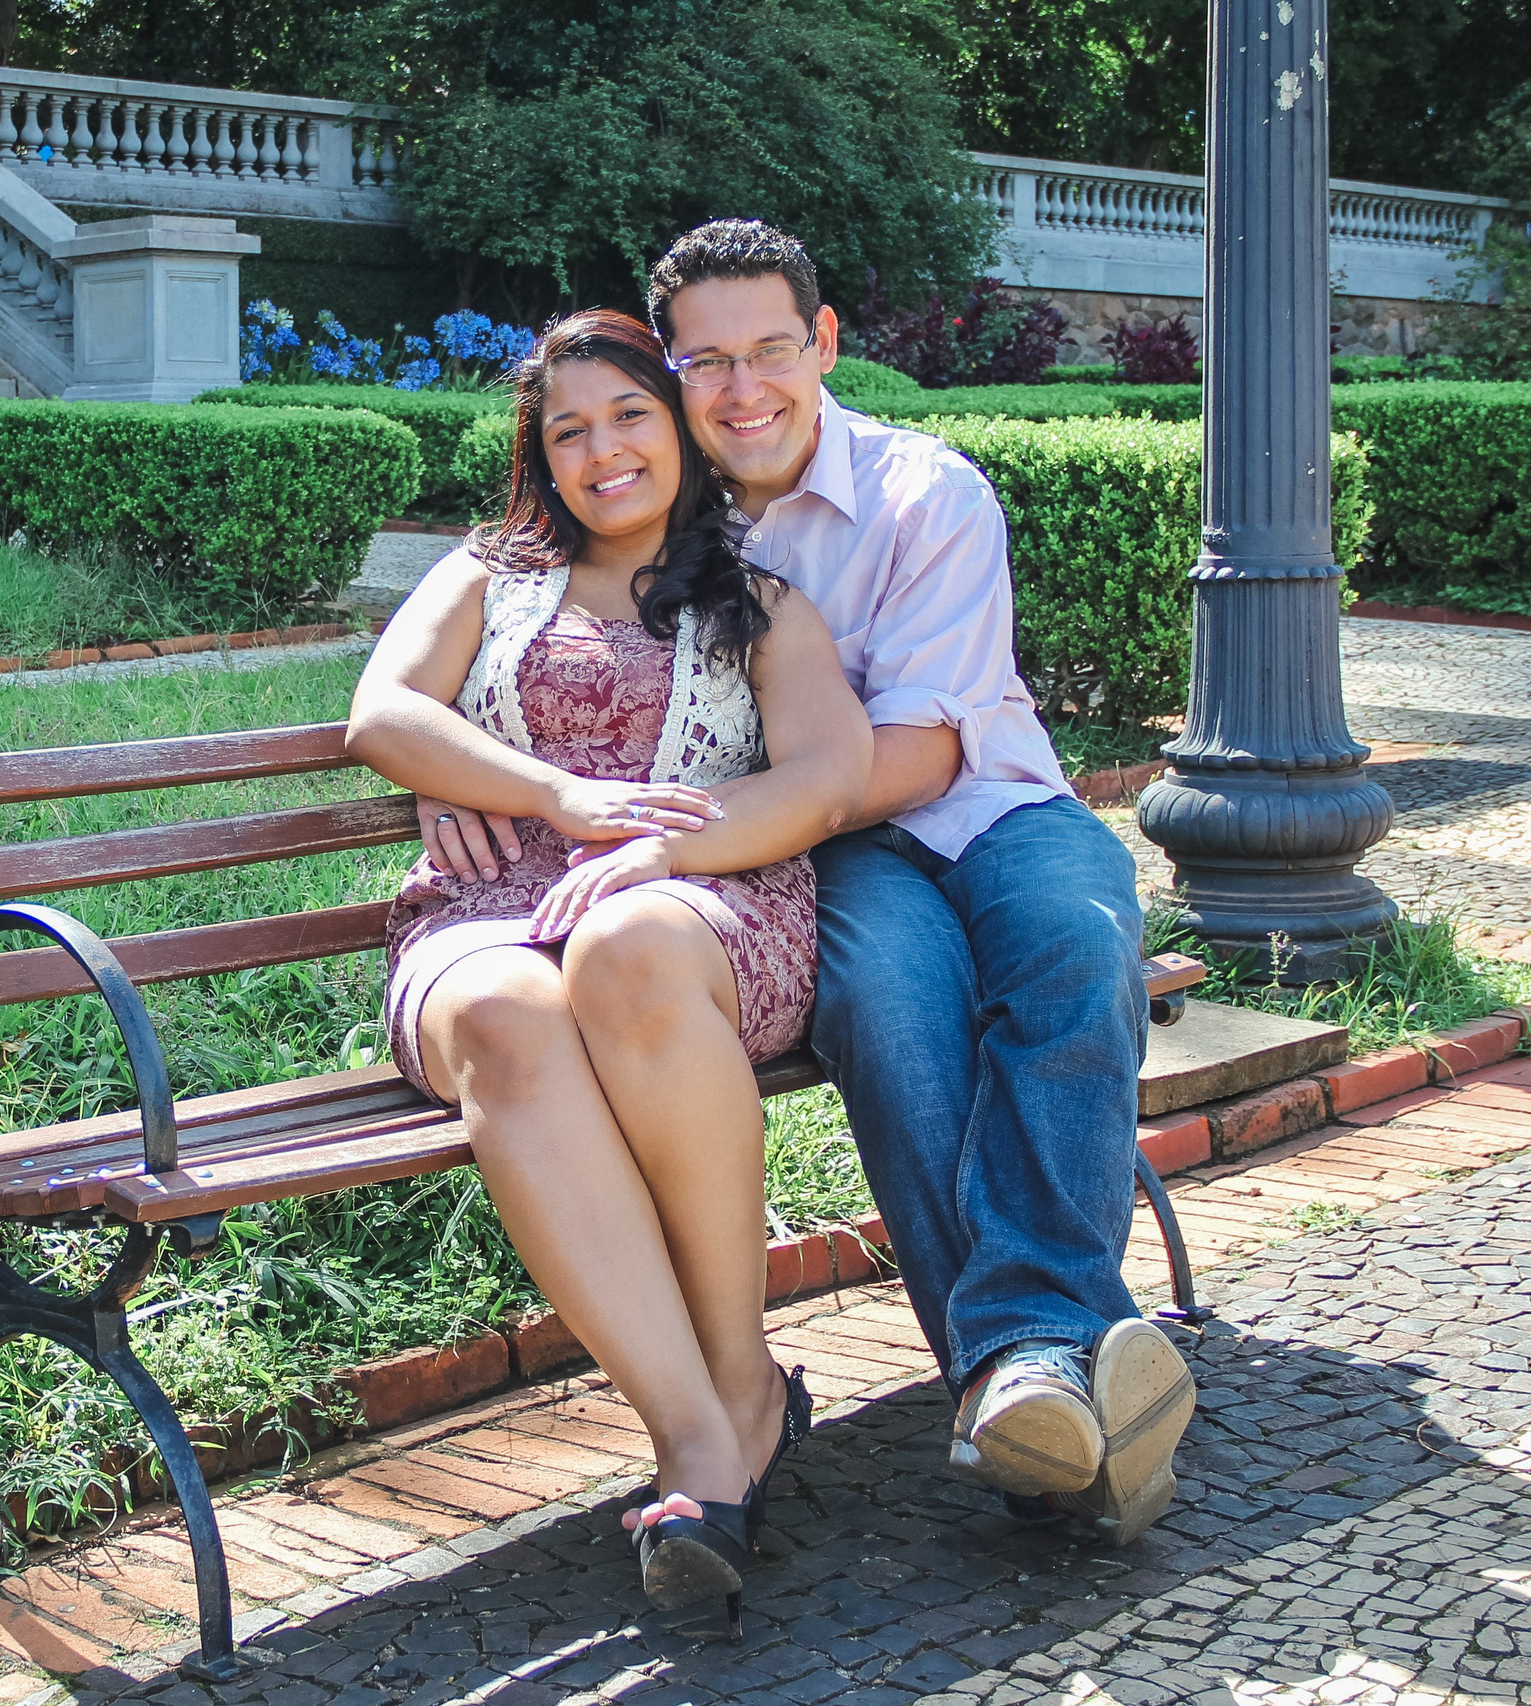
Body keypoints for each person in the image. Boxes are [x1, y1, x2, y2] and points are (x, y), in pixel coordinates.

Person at [417, 224, 1197, 1548]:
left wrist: (674, 829)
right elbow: (526, 663)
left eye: (771, 350)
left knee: (1073, 944)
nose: (742, 389)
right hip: (821, 857)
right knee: (891, 1001)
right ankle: (1043, 1382)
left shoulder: (923, 493)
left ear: (822, 345)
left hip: (988, 806)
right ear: (672, 372)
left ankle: (1029, 1348)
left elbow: (927, 748)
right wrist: (470, 767)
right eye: (706, 361)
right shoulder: (660, 506)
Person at [346, 309, 871, 1622]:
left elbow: (824, 774)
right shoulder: (488, 574)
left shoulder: (757, 600)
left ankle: (742, 1384)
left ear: (680, 429)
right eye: (568, 429)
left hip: (700, 907)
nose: (603, 449)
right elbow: (383, 711)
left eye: (630, 414)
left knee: (625, 948)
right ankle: (706, 1428)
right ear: (541, 454)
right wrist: (538, 791)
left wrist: (660, 855)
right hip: (491, 911)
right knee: (516, 1014)